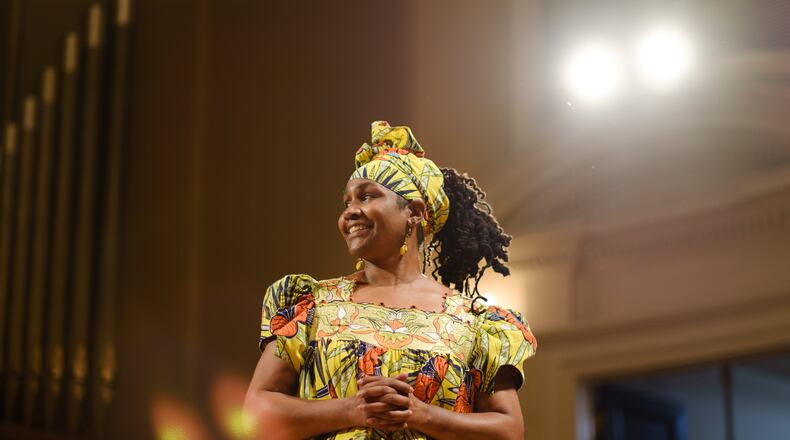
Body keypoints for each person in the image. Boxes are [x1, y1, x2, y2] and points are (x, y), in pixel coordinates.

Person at [244, 121, 537, 440]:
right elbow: (256, 414)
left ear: (414, 211)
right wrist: (352, 409)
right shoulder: (311, 305)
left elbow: (509, 431)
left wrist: (422, 414)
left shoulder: (474, 324)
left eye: (367, 197)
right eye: (347, 203)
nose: (350, 212)